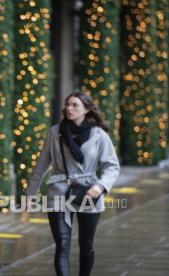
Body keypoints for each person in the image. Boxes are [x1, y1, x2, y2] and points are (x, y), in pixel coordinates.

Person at [25, 92, 120, 276]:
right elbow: (42, 163)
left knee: (86, 245)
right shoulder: (55, 132)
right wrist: (30, 193)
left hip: (88, 191)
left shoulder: (99, 135)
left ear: (86, 109)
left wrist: (100, 186)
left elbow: (112, 166)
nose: (69, 108)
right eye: (68, 104)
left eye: (75, 105)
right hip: (59, 190)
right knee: (62, 244)